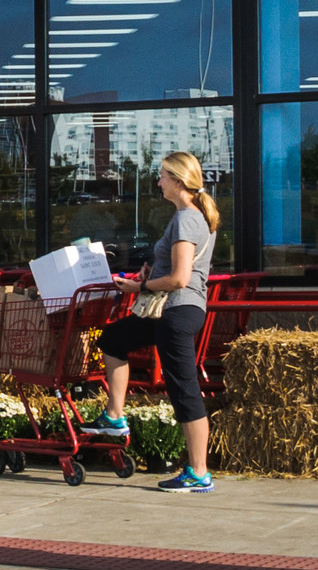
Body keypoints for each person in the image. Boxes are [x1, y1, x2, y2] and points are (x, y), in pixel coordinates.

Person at [82, 150, 219, 493]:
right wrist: (150, 273)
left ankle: (199, 472)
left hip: (176, 312)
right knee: (113, 339)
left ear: (177, 180)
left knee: (184, 389)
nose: (158, 182)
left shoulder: (188, 218)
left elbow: (180, 278)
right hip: (171, 311)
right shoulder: (190, 215)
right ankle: (114, 416)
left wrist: (138, 286)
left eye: (161, 176)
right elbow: (172, 272)